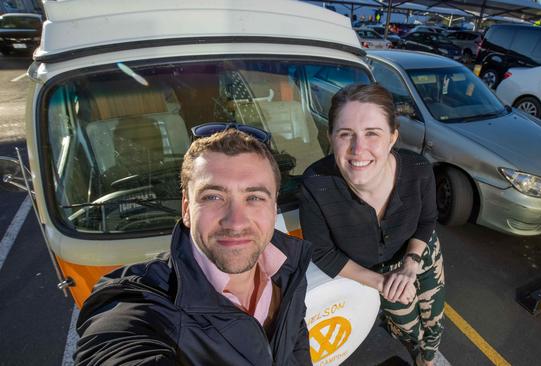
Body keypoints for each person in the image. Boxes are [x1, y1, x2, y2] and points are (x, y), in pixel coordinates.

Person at [75, 126, 313, 365]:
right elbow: (113, 348)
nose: (236, 222)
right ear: (187, 210)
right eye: (213, 197)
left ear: (273, 209)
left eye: (254, 197)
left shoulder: (288, 268)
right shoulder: (141, 300)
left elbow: (295, 343)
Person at [299, 83, 445, 366]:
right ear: (330, 137)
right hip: (375, 274)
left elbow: (427, 220)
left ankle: (427, 359)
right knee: (409, 327)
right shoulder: (316, 184)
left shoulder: (418, 170)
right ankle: (416, 346)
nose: (358, 149)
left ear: (392, 137)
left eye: (372, 133)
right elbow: (323, 253)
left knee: (435, 318)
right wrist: (383, 282)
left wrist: (411, 264)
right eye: (345, 134)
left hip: (421, 256)